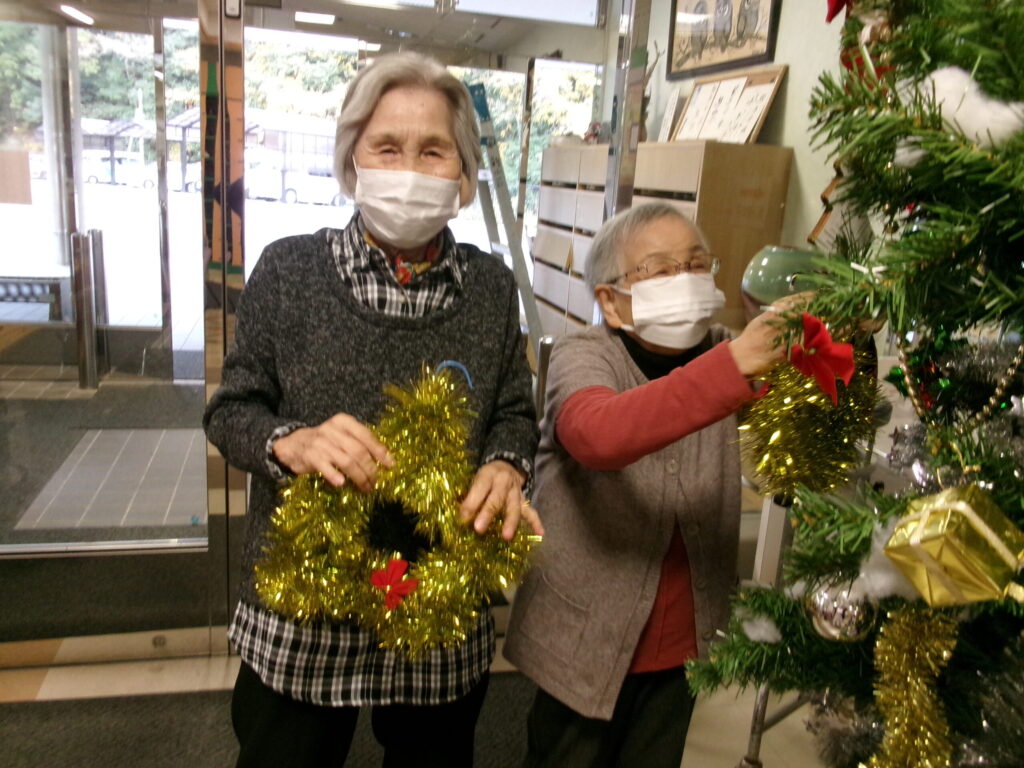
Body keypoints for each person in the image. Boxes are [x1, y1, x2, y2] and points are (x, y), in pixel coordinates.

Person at [203, 51, 542, 768]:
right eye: (387, 146)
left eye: (433, 149)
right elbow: (230, 411)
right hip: (302, 608)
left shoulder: (488, 289)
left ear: (463, 174)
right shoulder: (289, 271)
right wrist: (288, 443)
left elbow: (514, 412)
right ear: (352, 159)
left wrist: (507, 466)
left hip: (438, 613)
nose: (410, 167)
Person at [503, 202, 793, 768]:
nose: (684, 280)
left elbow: (791, 434)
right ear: (610, 300)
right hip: (580, 640)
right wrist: (737, 364)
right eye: (660, 271)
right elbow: (600, 434)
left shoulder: (722, 348)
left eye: (695, 265)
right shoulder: (584, 355)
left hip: (684, 640)